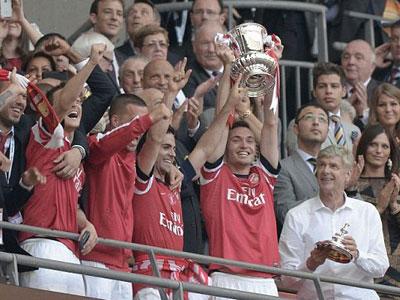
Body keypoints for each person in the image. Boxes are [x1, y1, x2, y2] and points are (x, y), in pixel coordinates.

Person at [18, 44, 104, 296]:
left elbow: (72, 202)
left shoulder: (73, 152)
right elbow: (63, 103)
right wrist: (90, 63)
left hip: (69, 249)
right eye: (71, 98)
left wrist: (85, 223)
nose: (76, 103)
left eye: (80, 100)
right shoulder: (43, 135)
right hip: (42, 243)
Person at [199, 44, 281, 296]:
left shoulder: (265, 177)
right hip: (225, 277)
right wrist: (227, 70)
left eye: (248, 140)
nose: (243, 144)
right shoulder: (215, 176)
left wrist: (273, 69)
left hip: (265, 280)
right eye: (236, 140)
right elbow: (221, 121)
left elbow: (270, 124)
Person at [82, 93, 171, 300]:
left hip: (123, 264)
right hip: (95, 260)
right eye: (135, 123)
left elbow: (156, 138)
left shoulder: (131, 159)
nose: (139, 131)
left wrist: (170, 95)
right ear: (115, 122)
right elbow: (108, 143)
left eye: (142, 125)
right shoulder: (96, 146)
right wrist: (148, 119)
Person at [279, 145, 389, 299]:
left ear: (348, 174)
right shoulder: (297, 215)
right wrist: (311, 264)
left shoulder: (367, 212)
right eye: (322, 165)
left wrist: (357, 255)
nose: (325, 171)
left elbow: (381, 268)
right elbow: (286, 281)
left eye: (333, 166)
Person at [353, 124, 400, 288]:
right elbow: (347, 226)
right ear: (363, 147)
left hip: (396, 271)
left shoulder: (396, 184)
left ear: (390, 152)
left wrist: (394, 205)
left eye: (384, 146)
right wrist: (378, 208)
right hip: (360, 269)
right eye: (373, 144)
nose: (379, 151)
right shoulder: (351, 185)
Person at [274, 103, 329, 233]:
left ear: (328, 130)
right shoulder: (283, 167)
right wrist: (326, 198)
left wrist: (351, 188)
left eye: (322, 119)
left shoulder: (336, 167)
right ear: (296, 128)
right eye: (309, 117)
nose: (316, 123)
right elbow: (285, 212)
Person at [286, 62, 361, 155]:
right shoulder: (301, 124)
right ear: (314, 92)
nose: (328, 91)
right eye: (322, 86)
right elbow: (299, 163)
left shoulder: (354, 130)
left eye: (334, 86)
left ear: (344, 91)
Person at [183, 21, 225, 113]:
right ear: (194, 46)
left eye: (216, 42)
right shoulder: (187, 76)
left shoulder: (239, 71)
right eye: (205, 43)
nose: (211, 49)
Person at [341, 39, 381, 127]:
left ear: (372, 67)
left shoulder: (384, 92)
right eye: (346, 57)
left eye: (358, 58)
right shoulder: (331, 89)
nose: (351, 62)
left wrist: (365, 113)